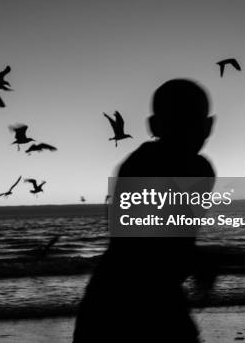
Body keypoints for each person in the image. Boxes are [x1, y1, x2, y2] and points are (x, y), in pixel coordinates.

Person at [73, 79, 217, 342]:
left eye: (190, 122)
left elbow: (165, 243)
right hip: (126, 303)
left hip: (121, 297)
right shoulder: (158, 168)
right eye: (178, 122)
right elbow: (149, 250)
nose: (184, 132)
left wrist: (195, 260)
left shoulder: (186, 169)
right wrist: (200, 261)